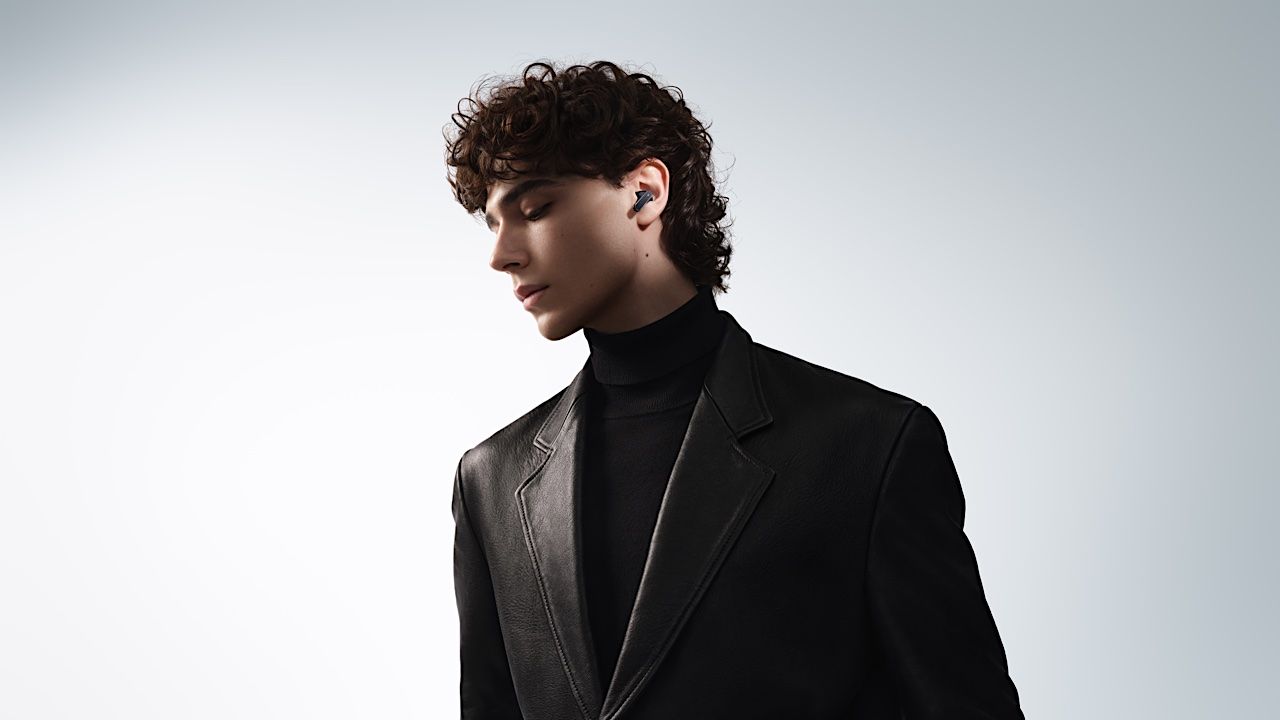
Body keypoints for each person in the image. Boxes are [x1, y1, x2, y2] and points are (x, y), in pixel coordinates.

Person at [442, 59, 1025, 720]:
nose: (502, 254)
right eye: (493, 223)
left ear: (644, 193)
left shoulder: (868, 447)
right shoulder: (491, 478)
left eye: (535, 209)